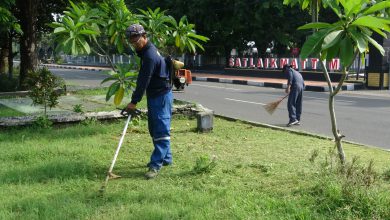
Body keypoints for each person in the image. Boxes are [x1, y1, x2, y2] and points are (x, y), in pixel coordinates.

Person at [125, 24, 173, 179]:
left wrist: (134, 101)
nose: (135, 44)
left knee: (161, 130)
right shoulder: (146, 52)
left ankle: (155, 165)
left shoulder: (149, 56)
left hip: (161, 96)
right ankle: (166, 159)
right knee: (154, 128)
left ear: (144, 36)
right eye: (132, 41)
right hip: (155, 95)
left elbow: (143, 81)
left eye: (137, 40)